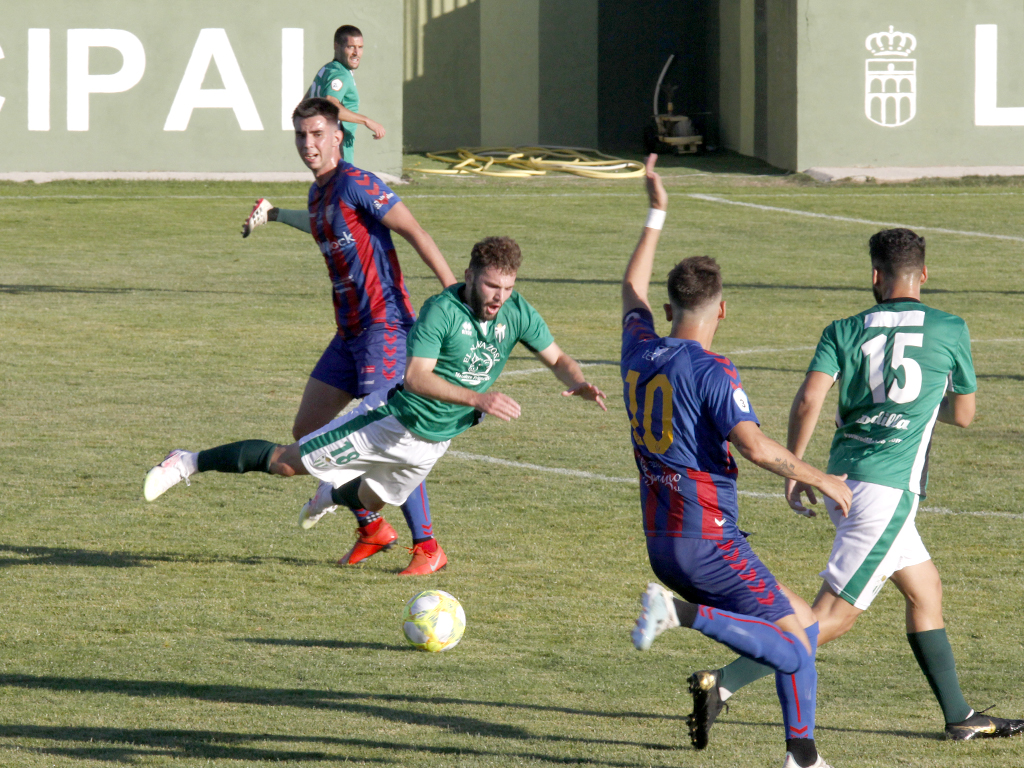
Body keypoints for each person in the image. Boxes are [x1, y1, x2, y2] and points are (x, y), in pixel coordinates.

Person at [693, 228, 1024, 744]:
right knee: (828, 619)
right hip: (885, 496)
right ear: (924, 274)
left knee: (925, 589)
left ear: (875, 275)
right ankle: (723, 683)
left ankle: (960, 716)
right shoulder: (950, 327)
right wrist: (916, 406)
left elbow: (809, 400)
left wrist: (795, 468)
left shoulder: (843, 330)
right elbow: (963, 414)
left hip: (843, 483)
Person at [144, 235, 608, 576]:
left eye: (506, 288)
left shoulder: (517, 312)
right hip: (390, 423)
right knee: (286, 463)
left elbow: (557, 358)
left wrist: (579, 381)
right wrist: (477, 397)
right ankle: (186, 461)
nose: (498, 298)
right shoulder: (441, 311)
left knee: (371, 499)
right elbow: (416, 377)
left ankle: (328, 496)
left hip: (433, 444)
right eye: (491, 287)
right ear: (469, 276)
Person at [624, 156, 851, 768]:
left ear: (668, 308)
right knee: (793, 647)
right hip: (708, 541)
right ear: (721, 310)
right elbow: (754, 447)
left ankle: (802, 756)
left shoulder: (638, 349)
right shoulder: (712, 370)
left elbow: (629, 291)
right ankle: (678, 614)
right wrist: (821, 477)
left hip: (664, 539)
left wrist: (656, 213)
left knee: (802, 627)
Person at [254, 97, 456, 573]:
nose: (309, 144)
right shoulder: (317, 195)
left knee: (394, 432)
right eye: (301, 135)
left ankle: (428, 546)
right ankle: (371, 528)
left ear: (337, 137)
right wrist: (276, 215)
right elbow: (319, 226)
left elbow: (415, 232)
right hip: (348, 335)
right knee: (307, 433)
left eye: (317, 134)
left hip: (385, 326)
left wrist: (454, 296)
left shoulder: (357, 182)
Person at [243, 24, 386, 238]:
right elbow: (330, 104)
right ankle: (272, 214)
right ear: (337, 46)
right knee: (345, 216)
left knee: (333, 220)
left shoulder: (326, 70)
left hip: (330, 153)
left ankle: (272, 213)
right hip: (337, 155)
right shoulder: (340, 75)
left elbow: (305, 105)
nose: (356, 52)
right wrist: (366, 121)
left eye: (360, 47)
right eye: (351, 47)